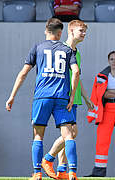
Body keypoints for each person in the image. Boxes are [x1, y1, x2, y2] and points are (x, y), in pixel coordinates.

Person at [5, 18, 80, 180]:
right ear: (60, 33)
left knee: (38, 135)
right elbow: (76, 71)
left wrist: (12, 96)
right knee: (68, 135)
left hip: (42, 97)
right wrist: (72, 95)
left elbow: (23, 73)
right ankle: (73, 171)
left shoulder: (38, 48)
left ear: (46, 30)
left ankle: (37, 172)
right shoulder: (67, 50)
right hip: (61, 97)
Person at [41, 20, 94, 180]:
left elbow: (77, 78)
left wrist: (86, 98)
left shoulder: (76, 52)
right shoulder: (62, 50)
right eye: (81, 31)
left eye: (85, 31)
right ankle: (48, 159)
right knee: (70, 134)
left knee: (68, 135)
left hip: (74, 99)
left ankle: (62, 170)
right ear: (70, 31)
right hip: (65, 99)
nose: (84, 34)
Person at [86, 51, 115, 177]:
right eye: (111, 59)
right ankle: (99, 172)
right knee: (102, 140)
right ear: (108, 61)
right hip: (106, 110)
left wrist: (110, 92)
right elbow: (100, 94)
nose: (114, 61)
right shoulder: (101, 76)